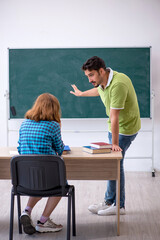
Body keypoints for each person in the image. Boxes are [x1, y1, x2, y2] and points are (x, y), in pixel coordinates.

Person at [70, 56, 141, 216]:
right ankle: (109, 201)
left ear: (101, 71)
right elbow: (99, 90)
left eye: (91, 75)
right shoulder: (104, 81)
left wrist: (115, 145)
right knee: (113, 163)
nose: (89, 79)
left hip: (126, 128)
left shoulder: (118, 84)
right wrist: (81, 94)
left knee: (115, 163)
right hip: (115, 126)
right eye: (87, 76)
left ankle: (119, 206)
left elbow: (115, 116)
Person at [17, 93, 65, 234]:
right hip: (49, 179)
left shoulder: (24, 123)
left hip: (26, 180)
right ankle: (43, 222)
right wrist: (59, 128)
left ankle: (26, 211)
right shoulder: (53, 125)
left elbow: (20, 148)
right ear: (54, 109)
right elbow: (60, 150)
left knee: (37, 182)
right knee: (60, 185)